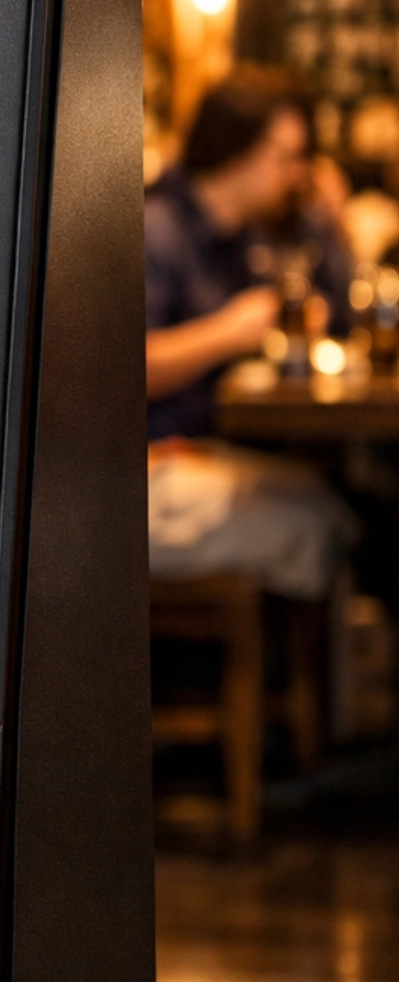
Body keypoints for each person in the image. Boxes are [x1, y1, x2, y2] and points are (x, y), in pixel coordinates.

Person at [146, 67, 356, 598]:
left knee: (337, 496)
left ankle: (308, 672)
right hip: (139, 468)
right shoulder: (155, 227)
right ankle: (283, 677)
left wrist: (331, 218)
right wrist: (227, 332)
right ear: (237, 149)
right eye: (288, 158)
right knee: (321, 522)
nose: (297, 174)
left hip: (202, 450)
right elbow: (119, 368)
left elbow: (339, 303)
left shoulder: (240, 236)